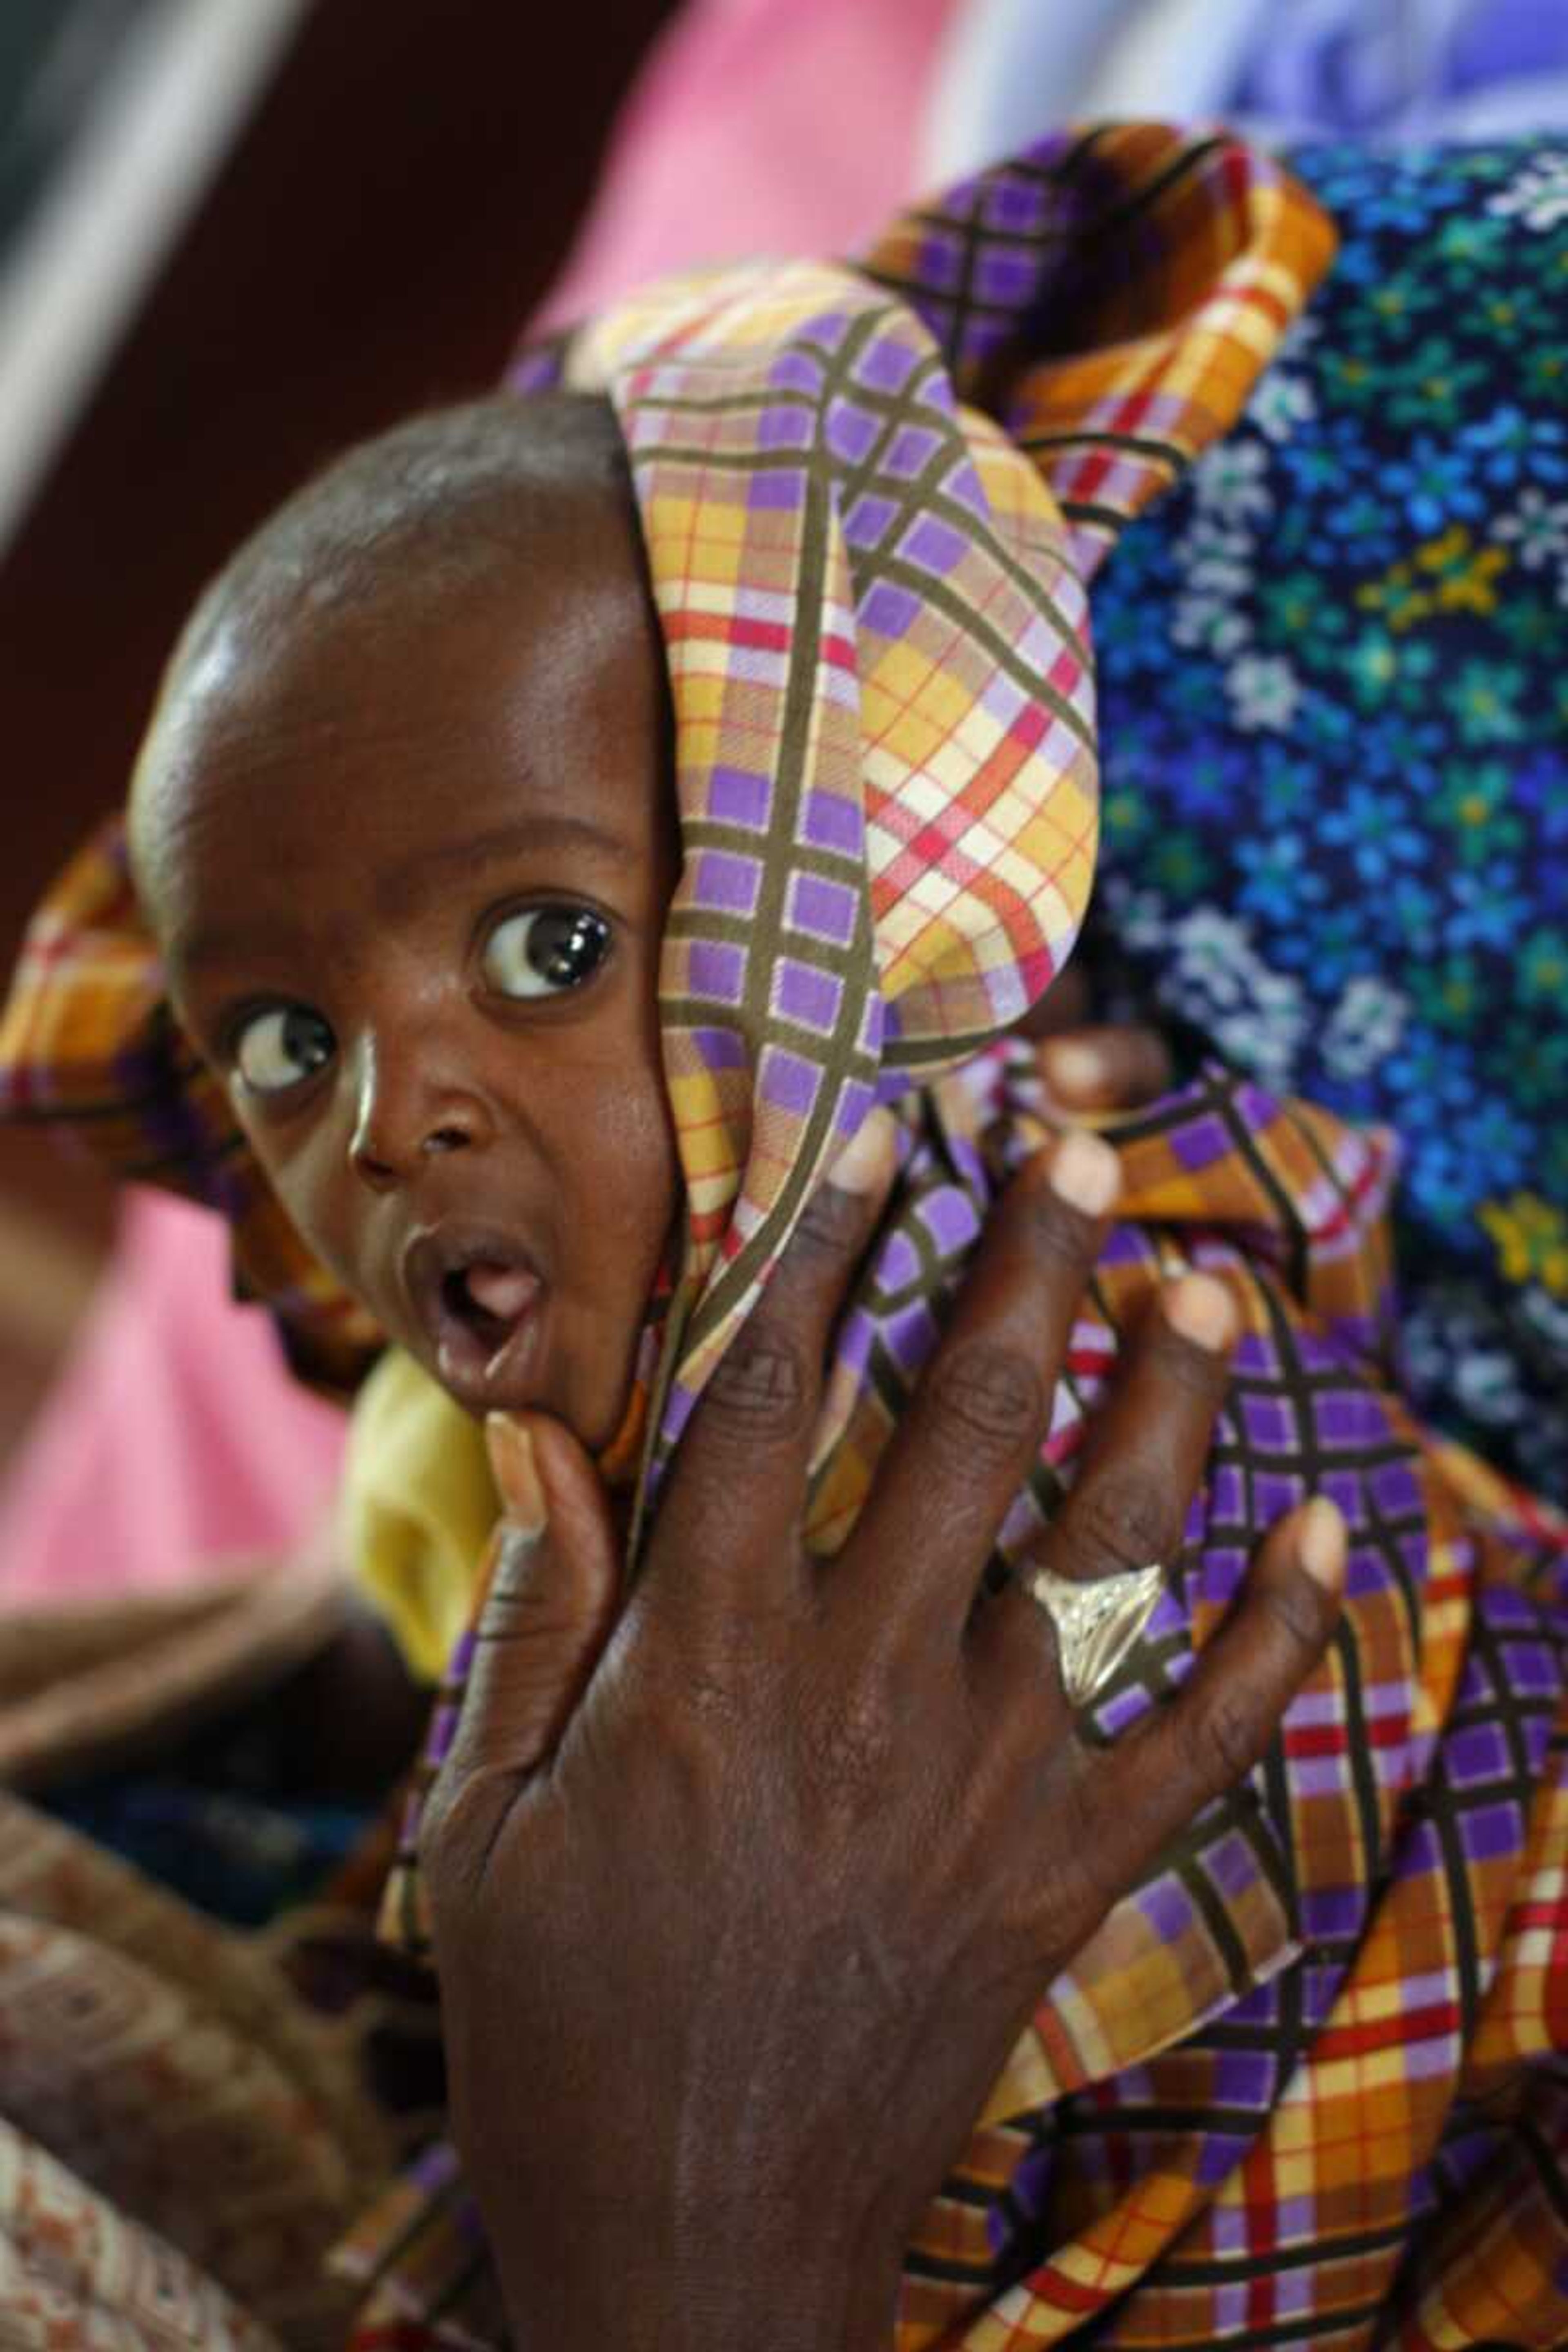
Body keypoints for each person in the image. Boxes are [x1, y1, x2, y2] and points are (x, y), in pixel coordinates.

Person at [2, 123, 1564, 2347]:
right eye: (279, 1042)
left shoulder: (1059, 1277)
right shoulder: (450, 1487)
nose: (389, 1113)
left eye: (546, 945)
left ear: (850, 910)